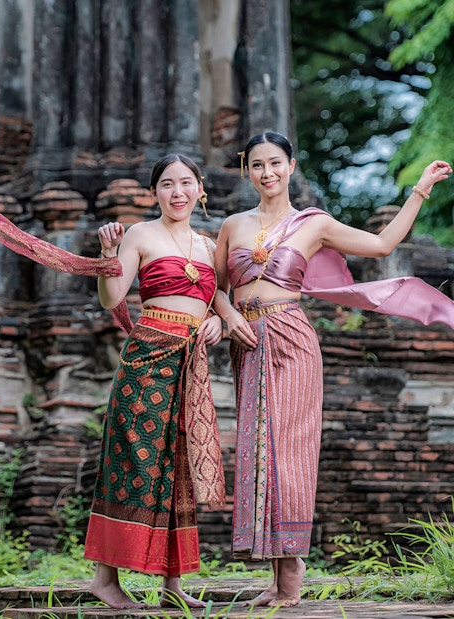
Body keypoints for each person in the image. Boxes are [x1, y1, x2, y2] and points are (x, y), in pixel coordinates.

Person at [213, 131, 454, 608]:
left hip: (292, 339)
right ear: (248, 170)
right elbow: (216, 288)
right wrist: (230, 314)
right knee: (259, 451)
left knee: (290, 450)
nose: (267, 173)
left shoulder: (314, 223)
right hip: (248, 342)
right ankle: (278, 570)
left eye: (276, 163)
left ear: (292, 165)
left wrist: (420, 189)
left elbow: (383, 245)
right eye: (258, 165)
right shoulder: (232, 226)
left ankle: (292, 569)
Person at [80, 153, 225, 609]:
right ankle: (105, 579)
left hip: (189, 367)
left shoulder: (208, 245)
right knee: (132, 463)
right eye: (166, 184)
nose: (177, 192)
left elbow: (217, 293)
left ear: (201, 189)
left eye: (186, 183)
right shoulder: (141, 234)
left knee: (178, 467)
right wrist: (107, 257)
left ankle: (172, 585)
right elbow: (112, 299)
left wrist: (219, 320)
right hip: (146, 362)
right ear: (154, 192)